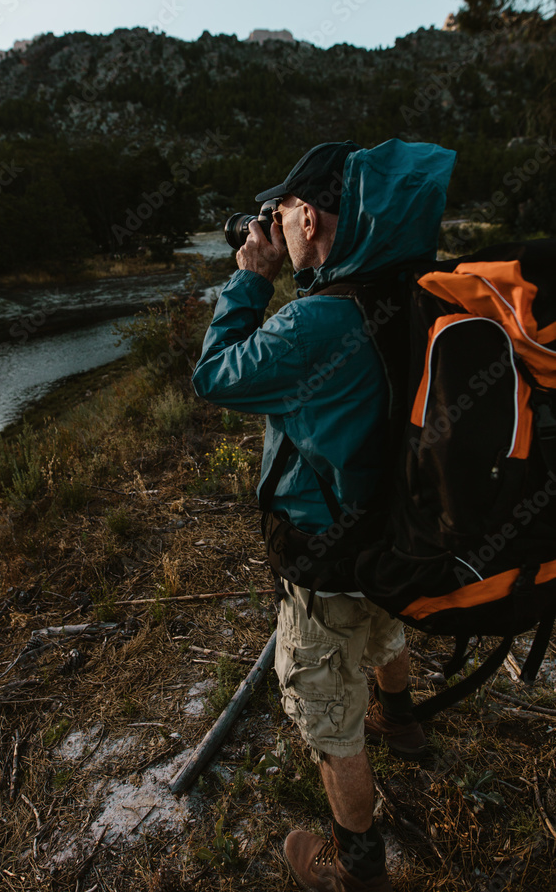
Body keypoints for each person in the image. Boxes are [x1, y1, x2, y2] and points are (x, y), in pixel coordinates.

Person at [191, 138, 457, 892]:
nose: (274, 227)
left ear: (306, 214)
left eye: (278, 216)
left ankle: (353, 866)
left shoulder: (312, 326)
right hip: (400, 539)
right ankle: (401, 718)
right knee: (382, 626)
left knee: (327, 718)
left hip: (326, 554)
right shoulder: (420, 290)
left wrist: (250, 278)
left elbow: (215, 375)